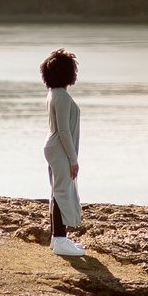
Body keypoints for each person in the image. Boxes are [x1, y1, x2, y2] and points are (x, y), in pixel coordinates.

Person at [41, 48, 84, 257]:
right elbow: (64, 131)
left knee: (56, 191)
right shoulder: (63, 97)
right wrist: (73, 160)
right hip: (59, 148)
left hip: (52, 146)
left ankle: (57, 238)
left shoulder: (53, 94)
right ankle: (59, 239)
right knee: (61, 191)